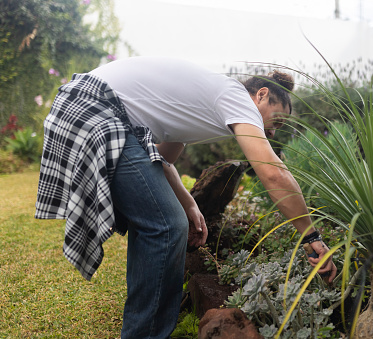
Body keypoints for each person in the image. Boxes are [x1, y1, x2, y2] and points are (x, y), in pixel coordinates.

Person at [35, 56, 337, 338]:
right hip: (93, 107)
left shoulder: (204, 105)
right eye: (277, 121)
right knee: (166, 226)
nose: (272, 134)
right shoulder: (234, 97)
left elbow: (163, 160)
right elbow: (273, 174)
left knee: (163, 222)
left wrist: (189, 203)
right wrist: (312, 237)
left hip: (87, 104)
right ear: (260, 95)